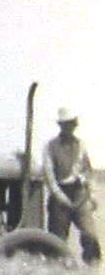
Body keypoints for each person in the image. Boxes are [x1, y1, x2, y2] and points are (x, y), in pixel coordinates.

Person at [43, 107, 101, 263]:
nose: (70, 126)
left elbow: (88, 170)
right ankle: (58, 272)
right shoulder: (51, 146)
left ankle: (91, 268)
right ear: (61, 125)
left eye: (72, 123)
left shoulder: (81, 145)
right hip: (60, 194)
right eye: (67, 124)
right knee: (57, 239)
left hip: (79, 193)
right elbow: (49, 176)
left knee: (90, 234)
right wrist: (60, 197)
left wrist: (92, 195)